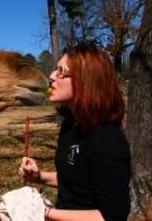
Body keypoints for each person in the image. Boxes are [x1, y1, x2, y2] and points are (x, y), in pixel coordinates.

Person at [18, 44, 131, 221]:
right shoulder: (71, 126)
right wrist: (39, 177)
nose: (51, 77)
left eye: (61, 71)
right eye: (55, 70)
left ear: (86, 79)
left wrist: (45, 213)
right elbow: (76, 183)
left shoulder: (107, 139)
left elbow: (112, 216)